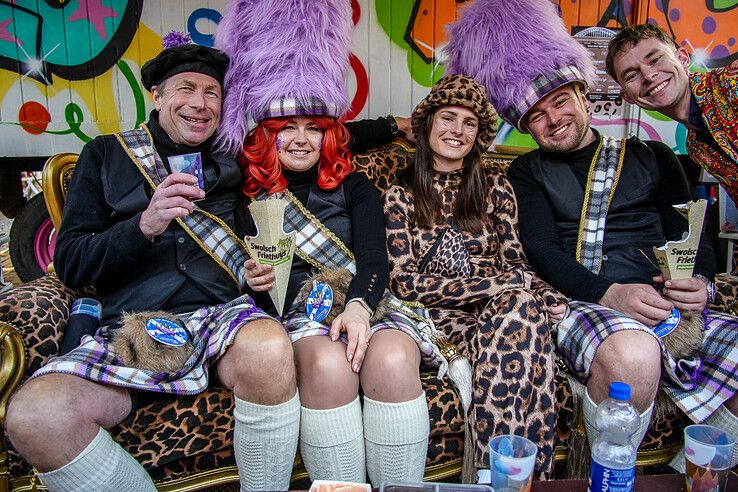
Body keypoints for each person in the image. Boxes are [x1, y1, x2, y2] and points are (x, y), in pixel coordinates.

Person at [3, 34, 404, 491]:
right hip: (136, 325)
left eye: (211, 92)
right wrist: (144, 225)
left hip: (224, 316)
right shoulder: (106, 155)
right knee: (35, 416)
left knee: (270, 347)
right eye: (185, 89)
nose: (199, 103)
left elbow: (311, 129)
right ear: (157, 95)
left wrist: (396, 124)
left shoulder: (234, 157)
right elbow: (71, 265)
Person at [446, 0, 738, 473]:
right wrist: (611, 293)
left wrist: (701, 279)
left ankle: (686, 474)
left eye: (560, 101)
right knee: (634, 356)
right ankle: (604, 478)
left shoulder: (658, 157)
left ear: (584, 95)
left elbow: (691, 236)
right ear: (524, 128)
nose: (554, 118)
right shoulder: (526, 172)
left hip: (667, 304)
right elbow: (540, 251)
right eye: (536, 116)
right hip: (588, 301)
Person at [214, 0, 444, 485]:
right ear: (265, 137)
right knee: (328, 365)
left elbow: (375, 257)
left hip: (367, 298)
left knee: (395, 357)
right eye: (286, 129)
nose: (301, 139)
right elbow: (255, 284)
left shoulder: (353, 186)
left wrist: (359, 307)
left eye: (314, 128)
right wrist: (251, 278)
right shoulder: (246, 196)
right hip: (297, 313)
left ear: (330, 135)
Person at [383, 74, 564, 478]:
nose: (457, 131)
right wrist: (500, 285)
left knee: (521, 309)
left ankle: (500, 475)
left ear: (479, 135)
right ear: (428, 123)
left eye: (469, 123)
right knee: (518, 311)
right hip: (436, 319)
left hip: (499, 309)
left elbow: (515, 262)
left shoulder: (497, 187)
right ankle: (514, 475)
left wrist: (544, 292)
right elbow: (405, 283)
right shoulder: (401, 195)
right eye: (448, 118)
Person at [606, 24, 738, 203]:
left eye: (655, 60)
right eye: (632, 75)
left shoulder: (732, 80)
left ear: (683, 59)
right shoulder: (695, 148)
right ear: (627, 96)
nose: (648, 75)